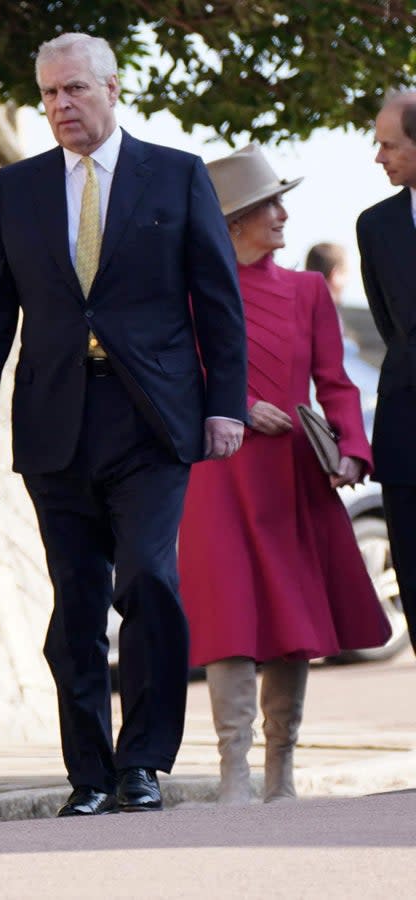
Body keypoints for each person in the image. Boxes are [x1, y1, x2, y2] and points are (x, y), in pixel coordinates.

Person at [0, 32, 247, 817]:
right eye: (48, 94)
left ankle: (144, 760)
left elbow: (218, 299)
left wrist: (225, 403)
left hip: (151, 419)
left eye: (74, 90)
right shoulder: (17, 189)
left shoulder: (176, 176)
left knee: (148, 577)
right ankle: (89, 773)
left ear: (113, 89)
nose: (60, 106)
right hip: (55, 420)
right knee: (75, 602)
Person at [180, 145, 391, 805]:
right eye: (268, 205)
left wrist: (351, 449)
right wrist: (238, 407)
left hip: (294, 476)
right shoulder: (191, 291)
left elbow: (336, 382)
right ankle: (233, 773)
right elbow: (177, 378)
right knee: (230, 619)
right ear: (234, 222)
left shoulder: (307, 292)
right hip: (219, 475)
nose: (282, 214)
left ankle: (282, 773)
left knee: (291, 622)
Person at [357, 89, 416, 658]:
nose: (379, 157)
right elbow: (392, 328)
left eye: (389, 145)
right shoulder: (374, 226)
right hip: (406, 443)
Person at [304, 242, 349, 307]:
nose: (347, 280)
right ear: (335, 274)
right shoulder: (327, 313)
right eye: (346, 272)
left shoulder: (297, 308)